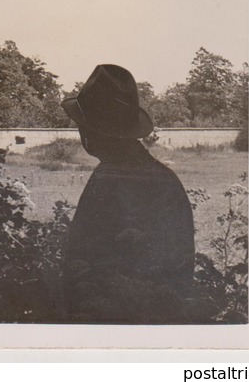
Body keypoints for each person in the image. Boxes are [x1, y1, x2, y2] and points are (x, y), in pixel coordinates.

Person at [60, 64, 196, 323]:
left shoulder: (108, 178)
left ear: (94, 131)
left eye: (83, 125)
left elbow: (81, 265)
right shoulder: (165, 179)